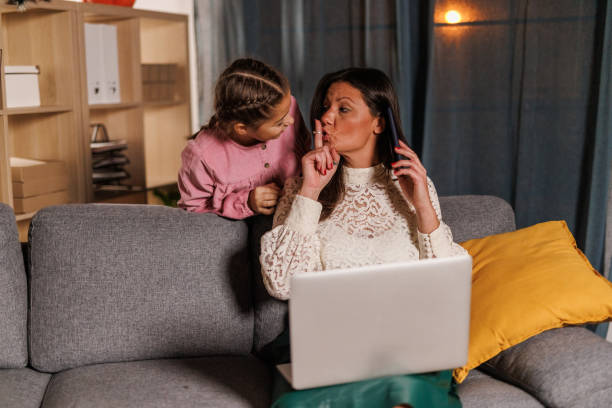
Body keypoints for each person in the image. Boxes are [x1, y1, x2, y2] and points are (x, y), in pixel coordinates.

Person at [260, 67, 467, 407]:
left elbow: (448, 284)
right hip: (330, 347)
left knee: (405, 392)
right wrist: (311, 190)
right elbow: (281, 284)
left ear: (378, 122)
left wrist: (423, 208)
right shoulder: (301, 188)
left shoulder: (416, 188)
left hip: (406, 346)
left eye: (343, 108)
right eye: (325, 108)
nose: (326, 117)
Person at [178, 58, 309, 219]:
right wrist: (246, 202)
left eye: (288, 111)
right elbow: (195, 214)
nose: (291, 121)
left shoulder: (285, 107)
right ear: (242, 128)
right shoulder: (202, 156)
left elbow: (304, 152)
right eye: (279, 122)